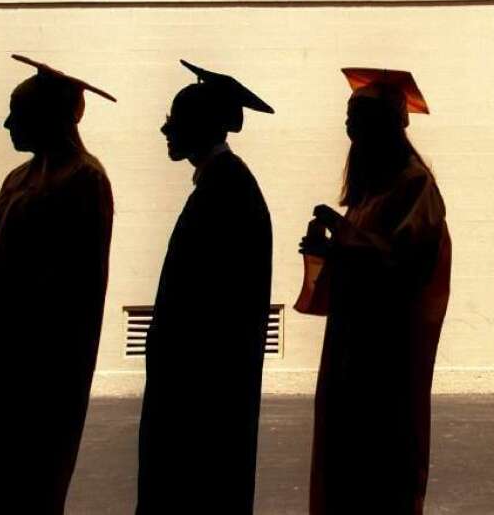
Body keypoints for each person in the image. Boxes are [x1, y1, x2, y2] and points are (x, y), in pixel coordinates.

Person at [0, 54, 116, 515]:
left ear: (50, 117)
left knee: (25, 487)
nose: (6, 123)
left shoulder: (83, 180)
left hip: (36, 373)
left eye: (17, 112)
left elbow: (77, 292)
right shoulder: (17, 178)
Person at [301, 68, 451, 515]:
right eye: (348, 115)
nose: (348, 125)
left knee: (379, 468)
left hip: (386, 356)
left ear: (386, 122)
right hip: (352, 346)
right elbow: (363, 256)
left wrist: (342, 235)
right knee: (343, 464)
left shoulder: (415, 185)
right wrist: (328, 249)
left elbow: (403, 264)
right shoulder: (371, 190)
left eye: (357, 115)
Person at [136, 60, 274, 514]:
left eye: (175, 120)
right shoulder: (226, 185)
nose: (165, 129)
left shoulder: (226, 191)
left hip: (201, 392)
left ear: (201, 125)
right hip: (204, 386)